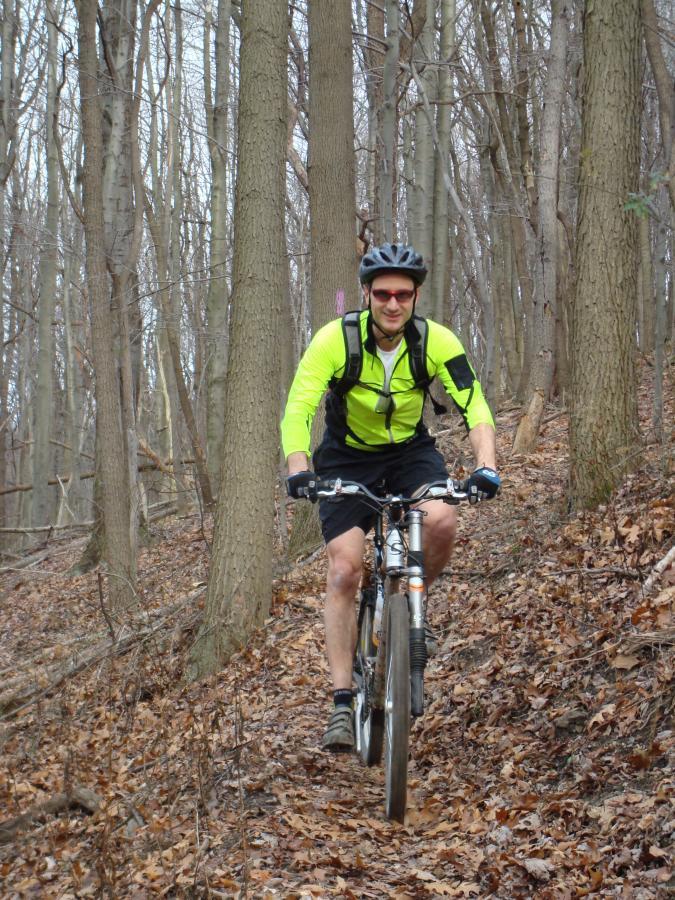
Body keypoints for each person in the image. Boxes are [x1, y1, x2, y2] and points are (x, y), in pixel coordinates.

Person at [281, 243, 500, 752]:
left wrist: (487, 465)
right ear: (367, 294)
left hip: (409, 453)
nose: (393, 303)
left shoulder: (435, 341)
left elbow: (475, 404)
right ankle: (341, 700)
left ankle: (410, 602)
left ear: (416, 295)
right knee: (344, 570)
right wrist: (299, 470)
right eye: (383, 294)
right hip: (346, 456)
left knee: (443, 520)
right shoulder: (335, 340)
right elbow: (298, 408)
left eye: (404, 294)